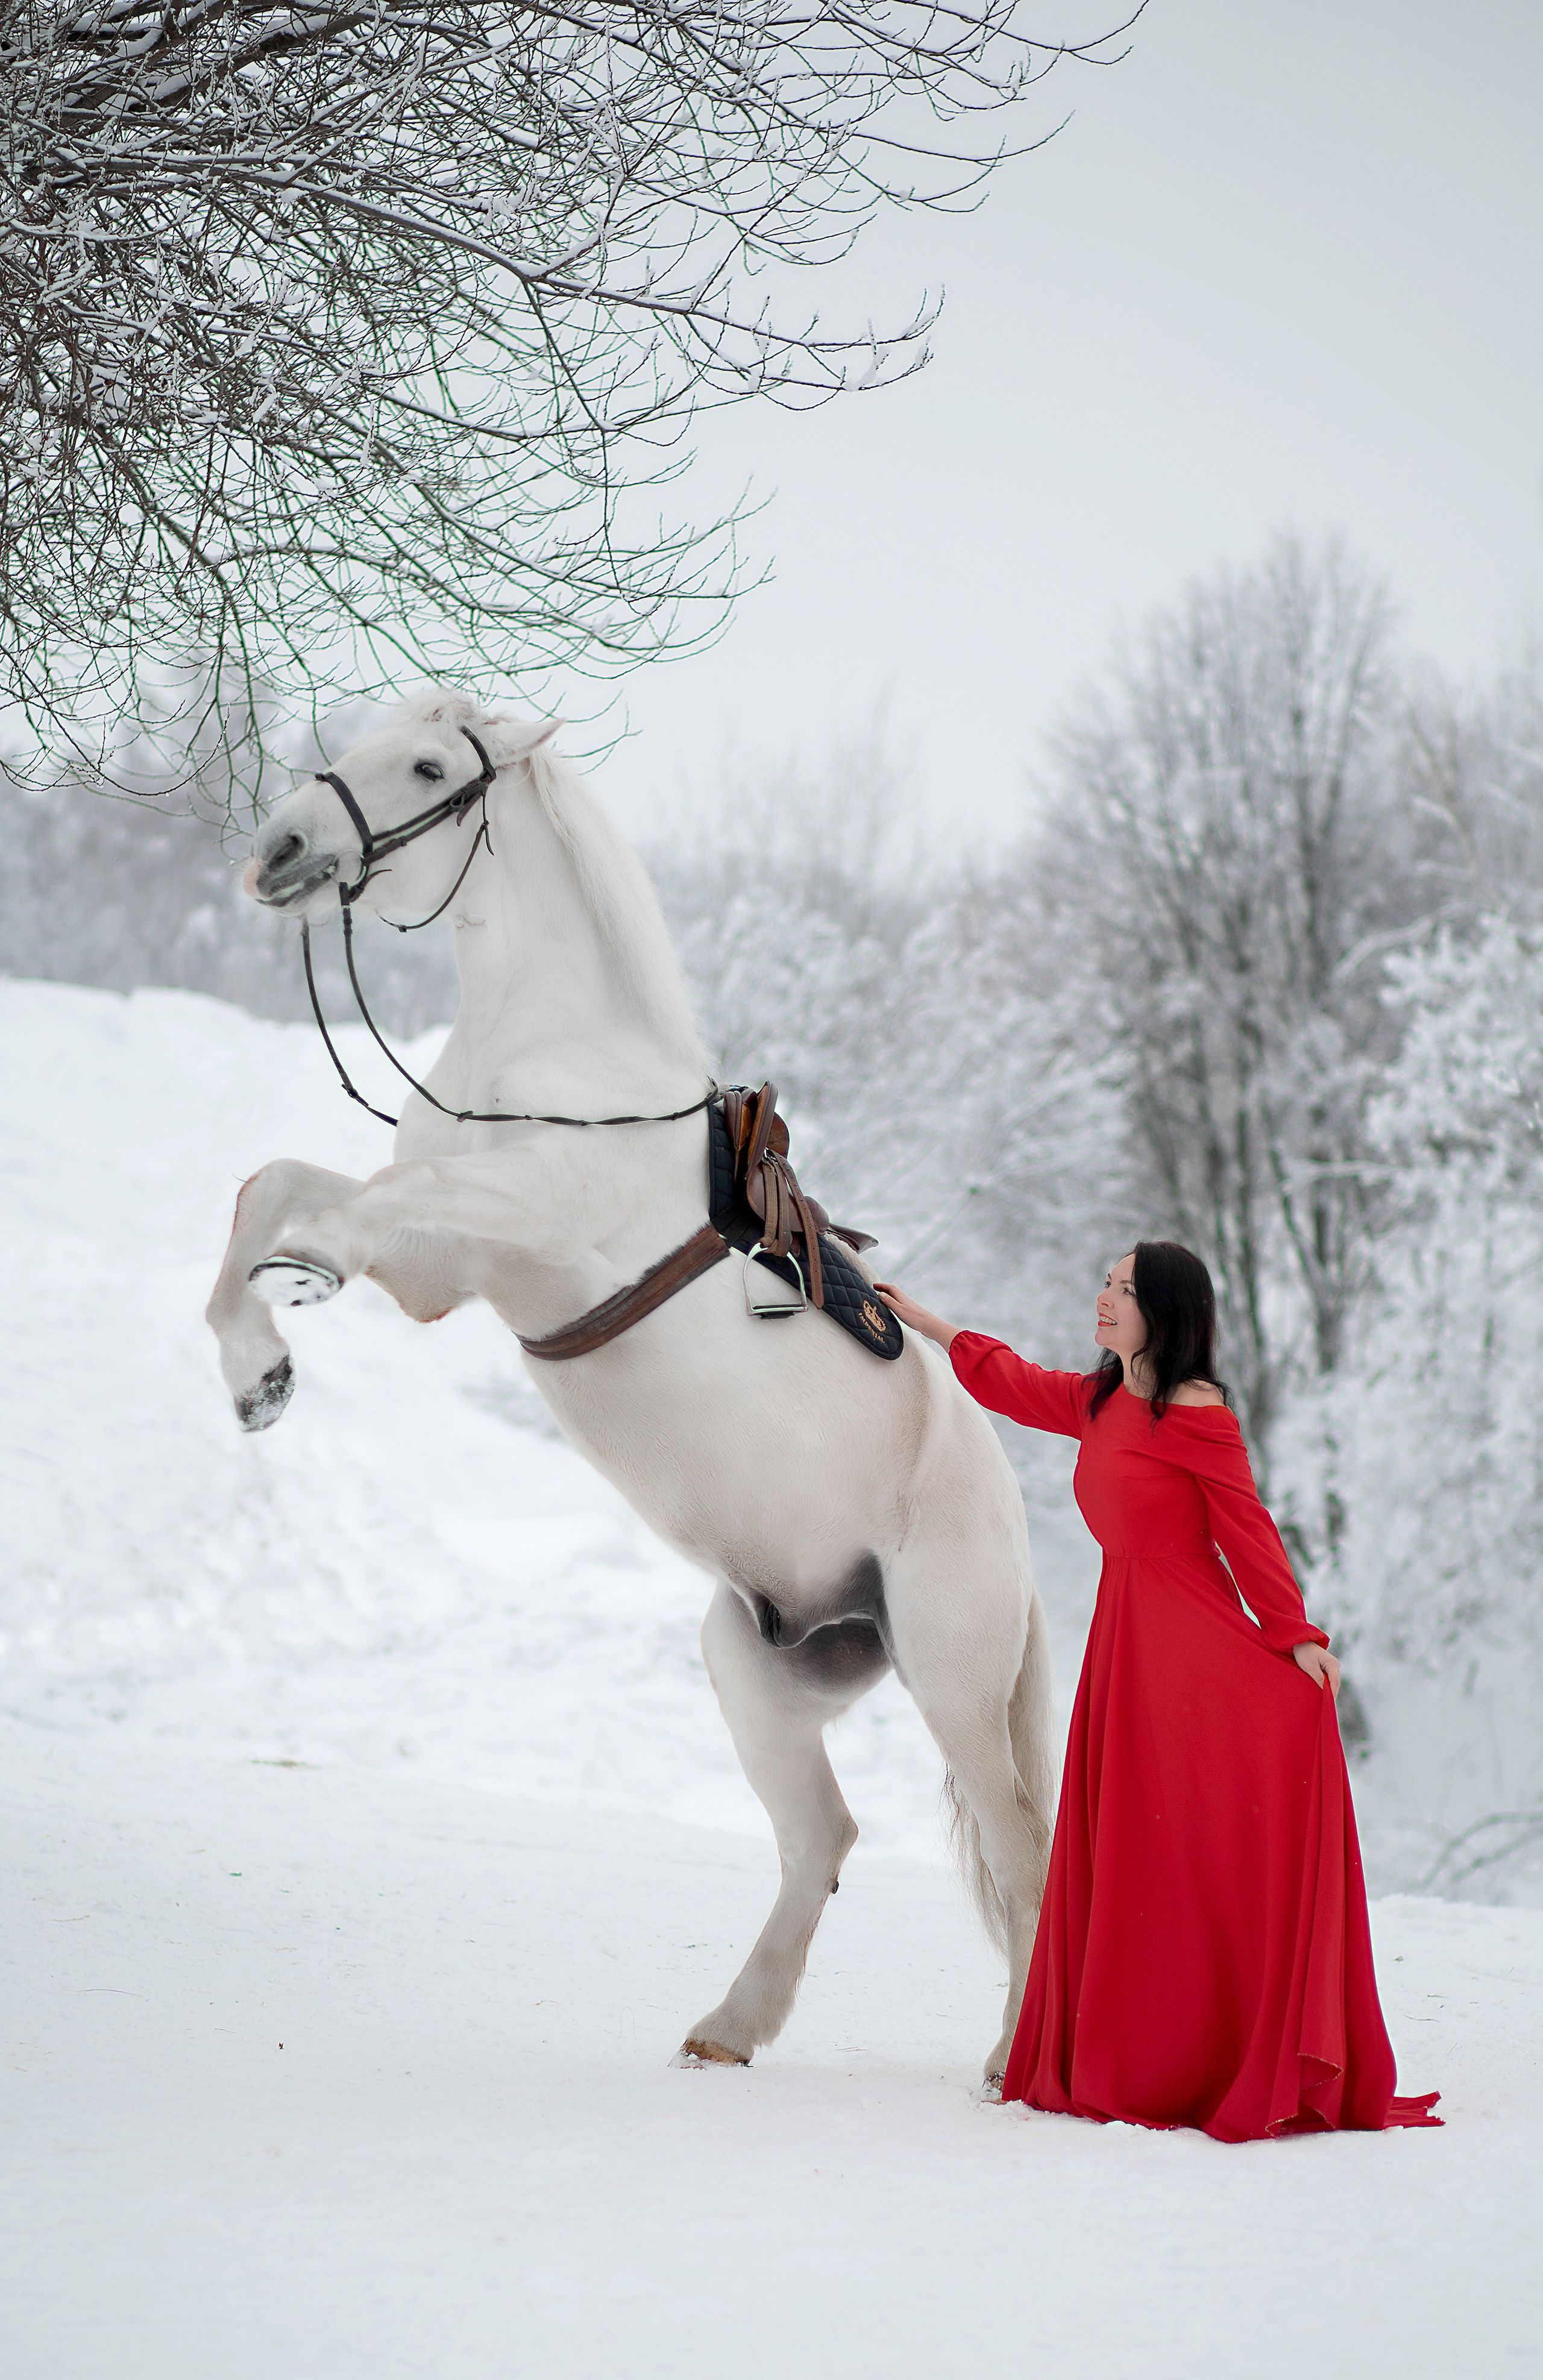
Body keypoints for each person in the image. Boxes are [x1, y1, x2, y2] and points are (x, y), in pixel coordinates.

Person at [876, 1243, 1439, 2143]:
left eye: (1124, 1289)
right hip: (1128, 1641)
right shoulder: (1100, 1401)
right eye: (1105, 1281)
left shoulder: (1197, 1413)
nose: (1103, 1297)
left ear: (1165, 1311)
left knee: (1187, 1836)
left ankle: (1228, 2047)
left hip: (1193, 1644)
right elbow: (1013, 1381)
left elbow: (1246, 1527)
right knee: (1142, 1843)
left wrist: (1297, 1636)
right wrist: (929, 1323)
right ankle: (1156, 2048)